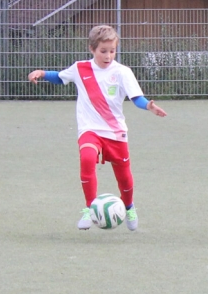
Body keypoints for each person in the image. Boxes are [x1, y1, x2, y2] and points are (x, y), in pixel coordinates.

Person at [28, 24, 167, 231]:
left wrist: (148, 106)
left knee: (124, 176)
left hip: (115, 132)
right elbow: (60, 77)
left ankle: (129, 207)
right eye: (103, 51)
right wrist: (41, 73)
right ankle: (89, 209)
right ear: (92, 49)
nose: (108, 56)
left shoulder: (122, 72)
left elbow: (136, 98)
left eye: (112, 51)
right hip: (90, 129)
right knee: (86, 159)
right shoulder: (80, 68)